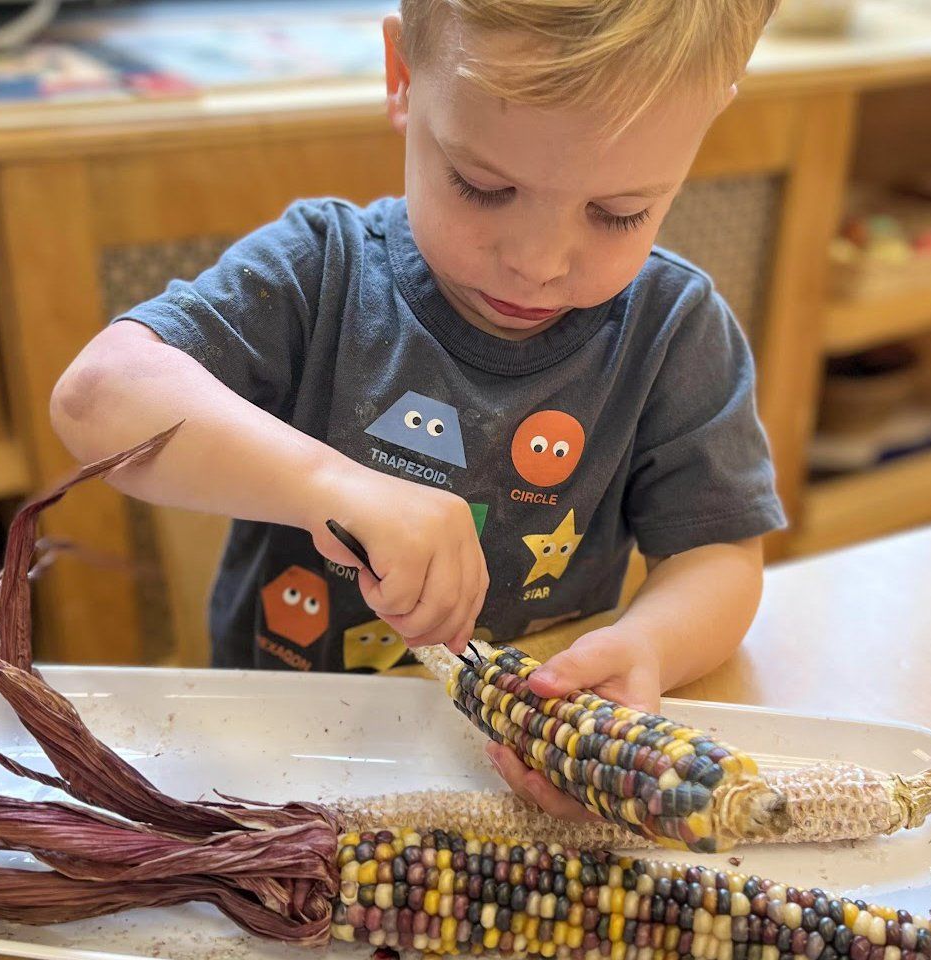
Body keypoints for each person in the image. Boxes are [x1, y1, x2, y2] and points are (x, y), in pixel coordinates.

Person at [51, 0, 785, 821]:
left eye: (618, 213)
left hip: (509, 773)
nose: (536, 264)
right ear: (404, 78)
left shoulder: (673, 331)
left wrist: (648, 646)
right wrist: (330, 484)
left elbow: (719, 557)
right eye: (484, 187)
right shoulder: (319, 274)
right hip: (274, 759)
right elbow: (96, 395)